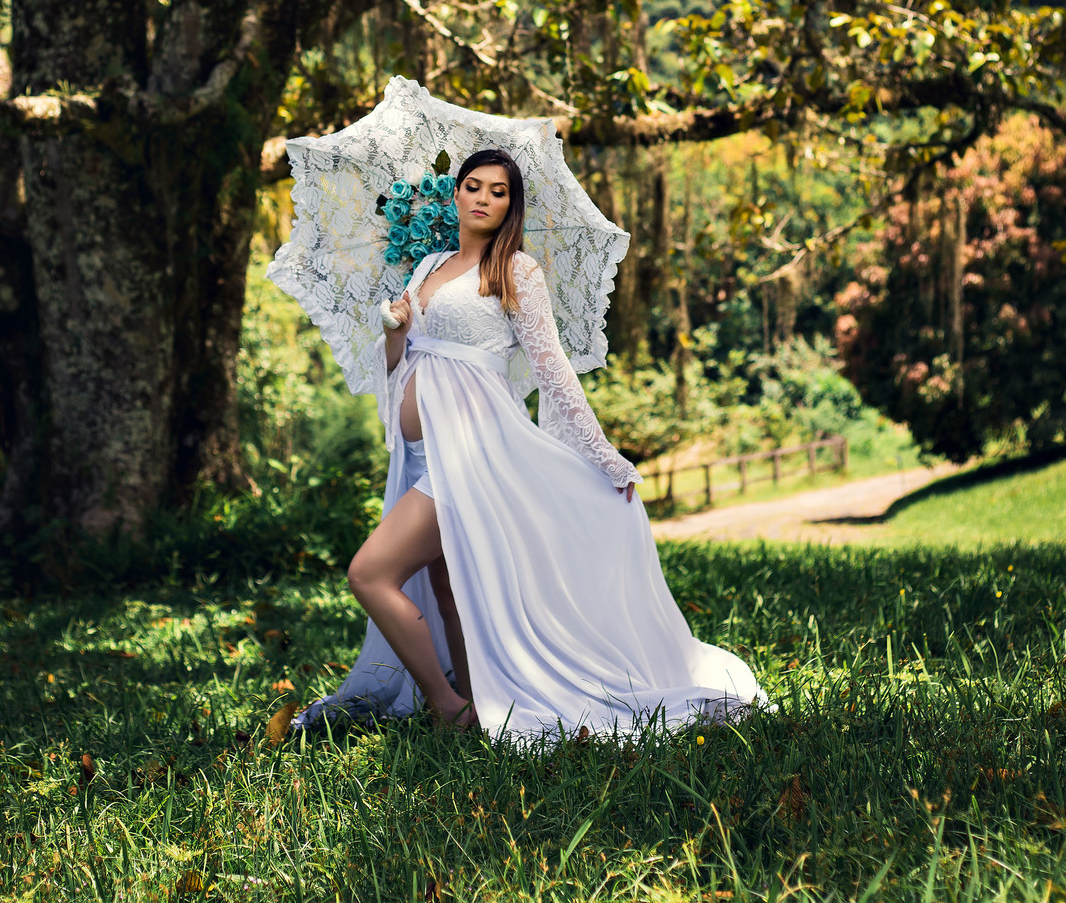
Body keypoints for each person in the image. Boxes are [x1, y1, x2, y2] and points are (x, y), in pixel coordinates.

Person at [294, 148, 765, 741]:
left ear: (511, 205)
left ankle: (448, 708)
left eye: (498, 191)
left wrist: (603, 456)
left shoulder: (516, 270)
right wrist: (394, 330)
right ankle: (480, 703)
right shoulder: (428, 267)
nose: (484, 198)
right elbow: (399, 369)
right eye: (473, 186)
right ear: (456, 194)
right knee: (446, 586)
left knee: (369, 573)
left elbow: (553, 371)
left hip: (471, 454)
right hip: (420, 451)